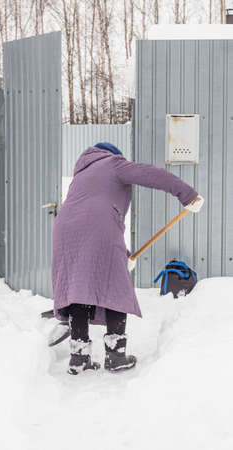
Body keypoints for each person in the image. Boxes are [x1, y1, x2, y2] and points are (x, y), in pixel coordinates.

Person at [51, 142, 204, 375]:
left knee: (78, 290)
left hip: (64, 231)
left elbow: (93, 212)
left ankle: (78, 356)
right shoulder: (113, 163)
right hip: (97, 228)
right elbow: (152, 175)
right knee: (115, 286)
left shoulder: (82, 174)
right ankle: (115, 355)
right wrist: (188, 195)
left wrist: (123, 255)